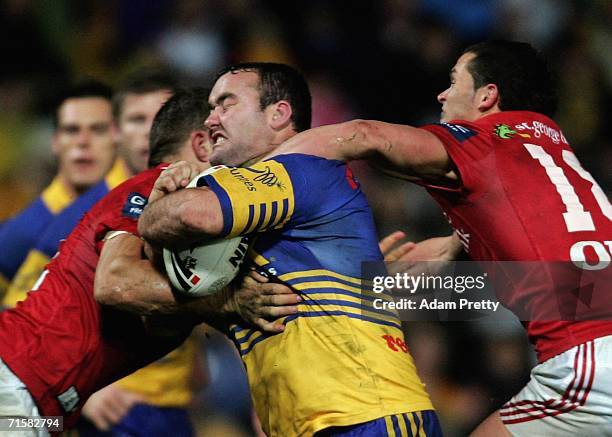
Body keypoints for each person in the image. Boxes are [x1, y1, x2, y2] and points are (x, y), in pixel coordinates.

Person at [272, 40, 612, 436]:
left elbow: (365, 135)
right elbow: (549, 226)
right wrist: (456, 243)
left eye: (454, 81)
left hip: (588, 361)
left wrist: (249, 176)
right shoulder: (551, 146)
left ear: (488, 96)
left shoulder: (481, 140)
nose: (443, 93)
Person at [137, 63, 441, 437]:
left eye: (226, 104)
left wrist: (156, 208)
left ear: (278, 114)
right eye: (211, 107)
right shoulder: (247, 216)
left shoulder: (298, 170)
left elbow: (191, 215)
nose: (211, 118)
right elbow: (159, 316)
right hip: (309, 424)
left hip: (363, 416)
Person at [0, 88, 296, 435]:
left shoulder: (206, 235)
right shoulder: (158, 188)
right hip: (17, 386)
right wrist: (228, 300)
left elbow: (198, 311)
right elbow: (115, 283)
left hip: (44, 408)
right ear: (203, 146)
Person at [0, 71, 190, 436]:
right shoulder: (67, 219)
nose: (150, 131)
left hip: (162, 408)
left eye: (160, 118)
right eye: (137, 119)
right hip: (86, 405)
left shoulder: (177, 205)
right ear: (118, 132)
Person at [0, 80, 116, 297]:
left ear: (119, 138)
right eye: (72, 130)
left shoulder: (134, 204)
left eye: (98, 129)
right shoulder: (23, 232)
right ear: (55, 142)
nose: (83, 141)